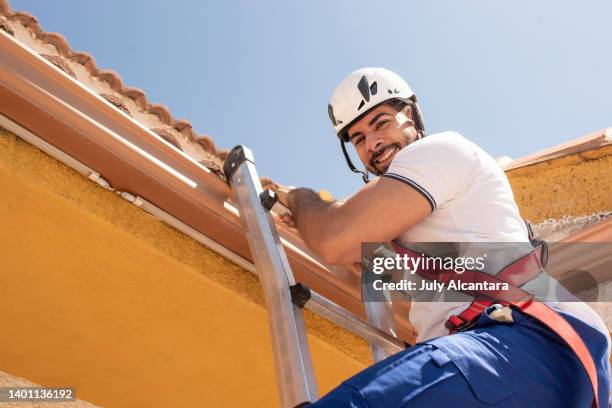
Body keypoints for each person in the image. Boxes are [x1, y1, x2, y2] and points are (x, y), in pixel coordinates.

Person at [274, 67, 611, 407]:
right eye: (358, 139)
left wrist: (302, 199)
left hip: (521, 340)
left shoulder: (438, 151)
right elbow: (353, 250)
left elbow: (335, 240)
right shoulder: (413, 223)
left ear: (412, 115)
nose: (373, 143)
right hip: (551, 361)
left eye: (381, 123)